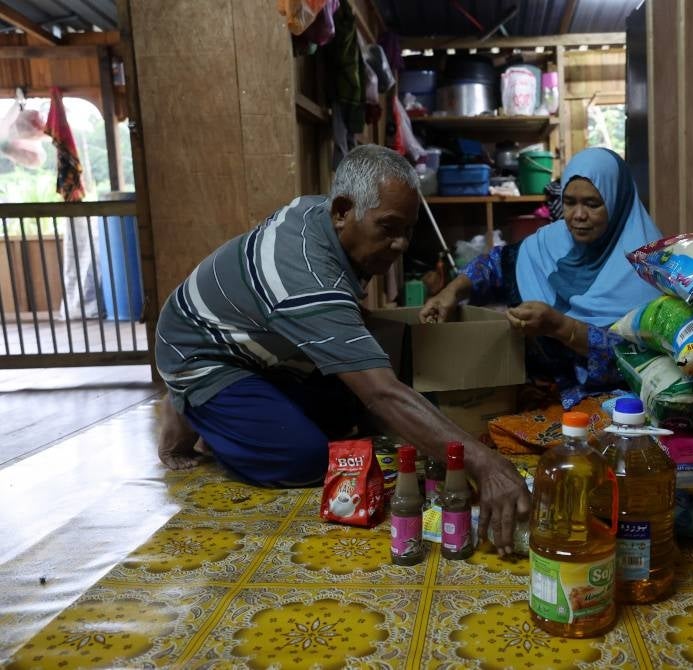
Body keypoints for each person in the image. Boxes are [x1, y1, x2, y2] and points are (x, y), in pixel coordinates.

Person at [155, 144, 530, 556]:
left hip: (261, 351)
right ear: (342, 211)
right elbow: (381, 391)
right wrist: (485, 464)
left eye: (408, 230)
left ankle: (232, 417)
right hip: (205, 354)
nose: (401, 244)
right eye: (389, 228)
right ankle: (191, 406)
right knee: (307, 458)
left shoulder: (324, 220)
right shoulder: (305, 273)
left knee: (350, 415)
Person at [420, 147, 663, 407]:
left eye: (592, 204)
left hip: (611, 406)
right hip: (538, 397)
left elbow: (642, 359)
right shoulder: (550, 242)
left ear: (618, 201)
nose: (578, 216)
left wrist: (561, 327)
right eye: (569, 202)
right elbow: (497, 264)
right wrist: (451, 291)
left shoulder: (650, 267)